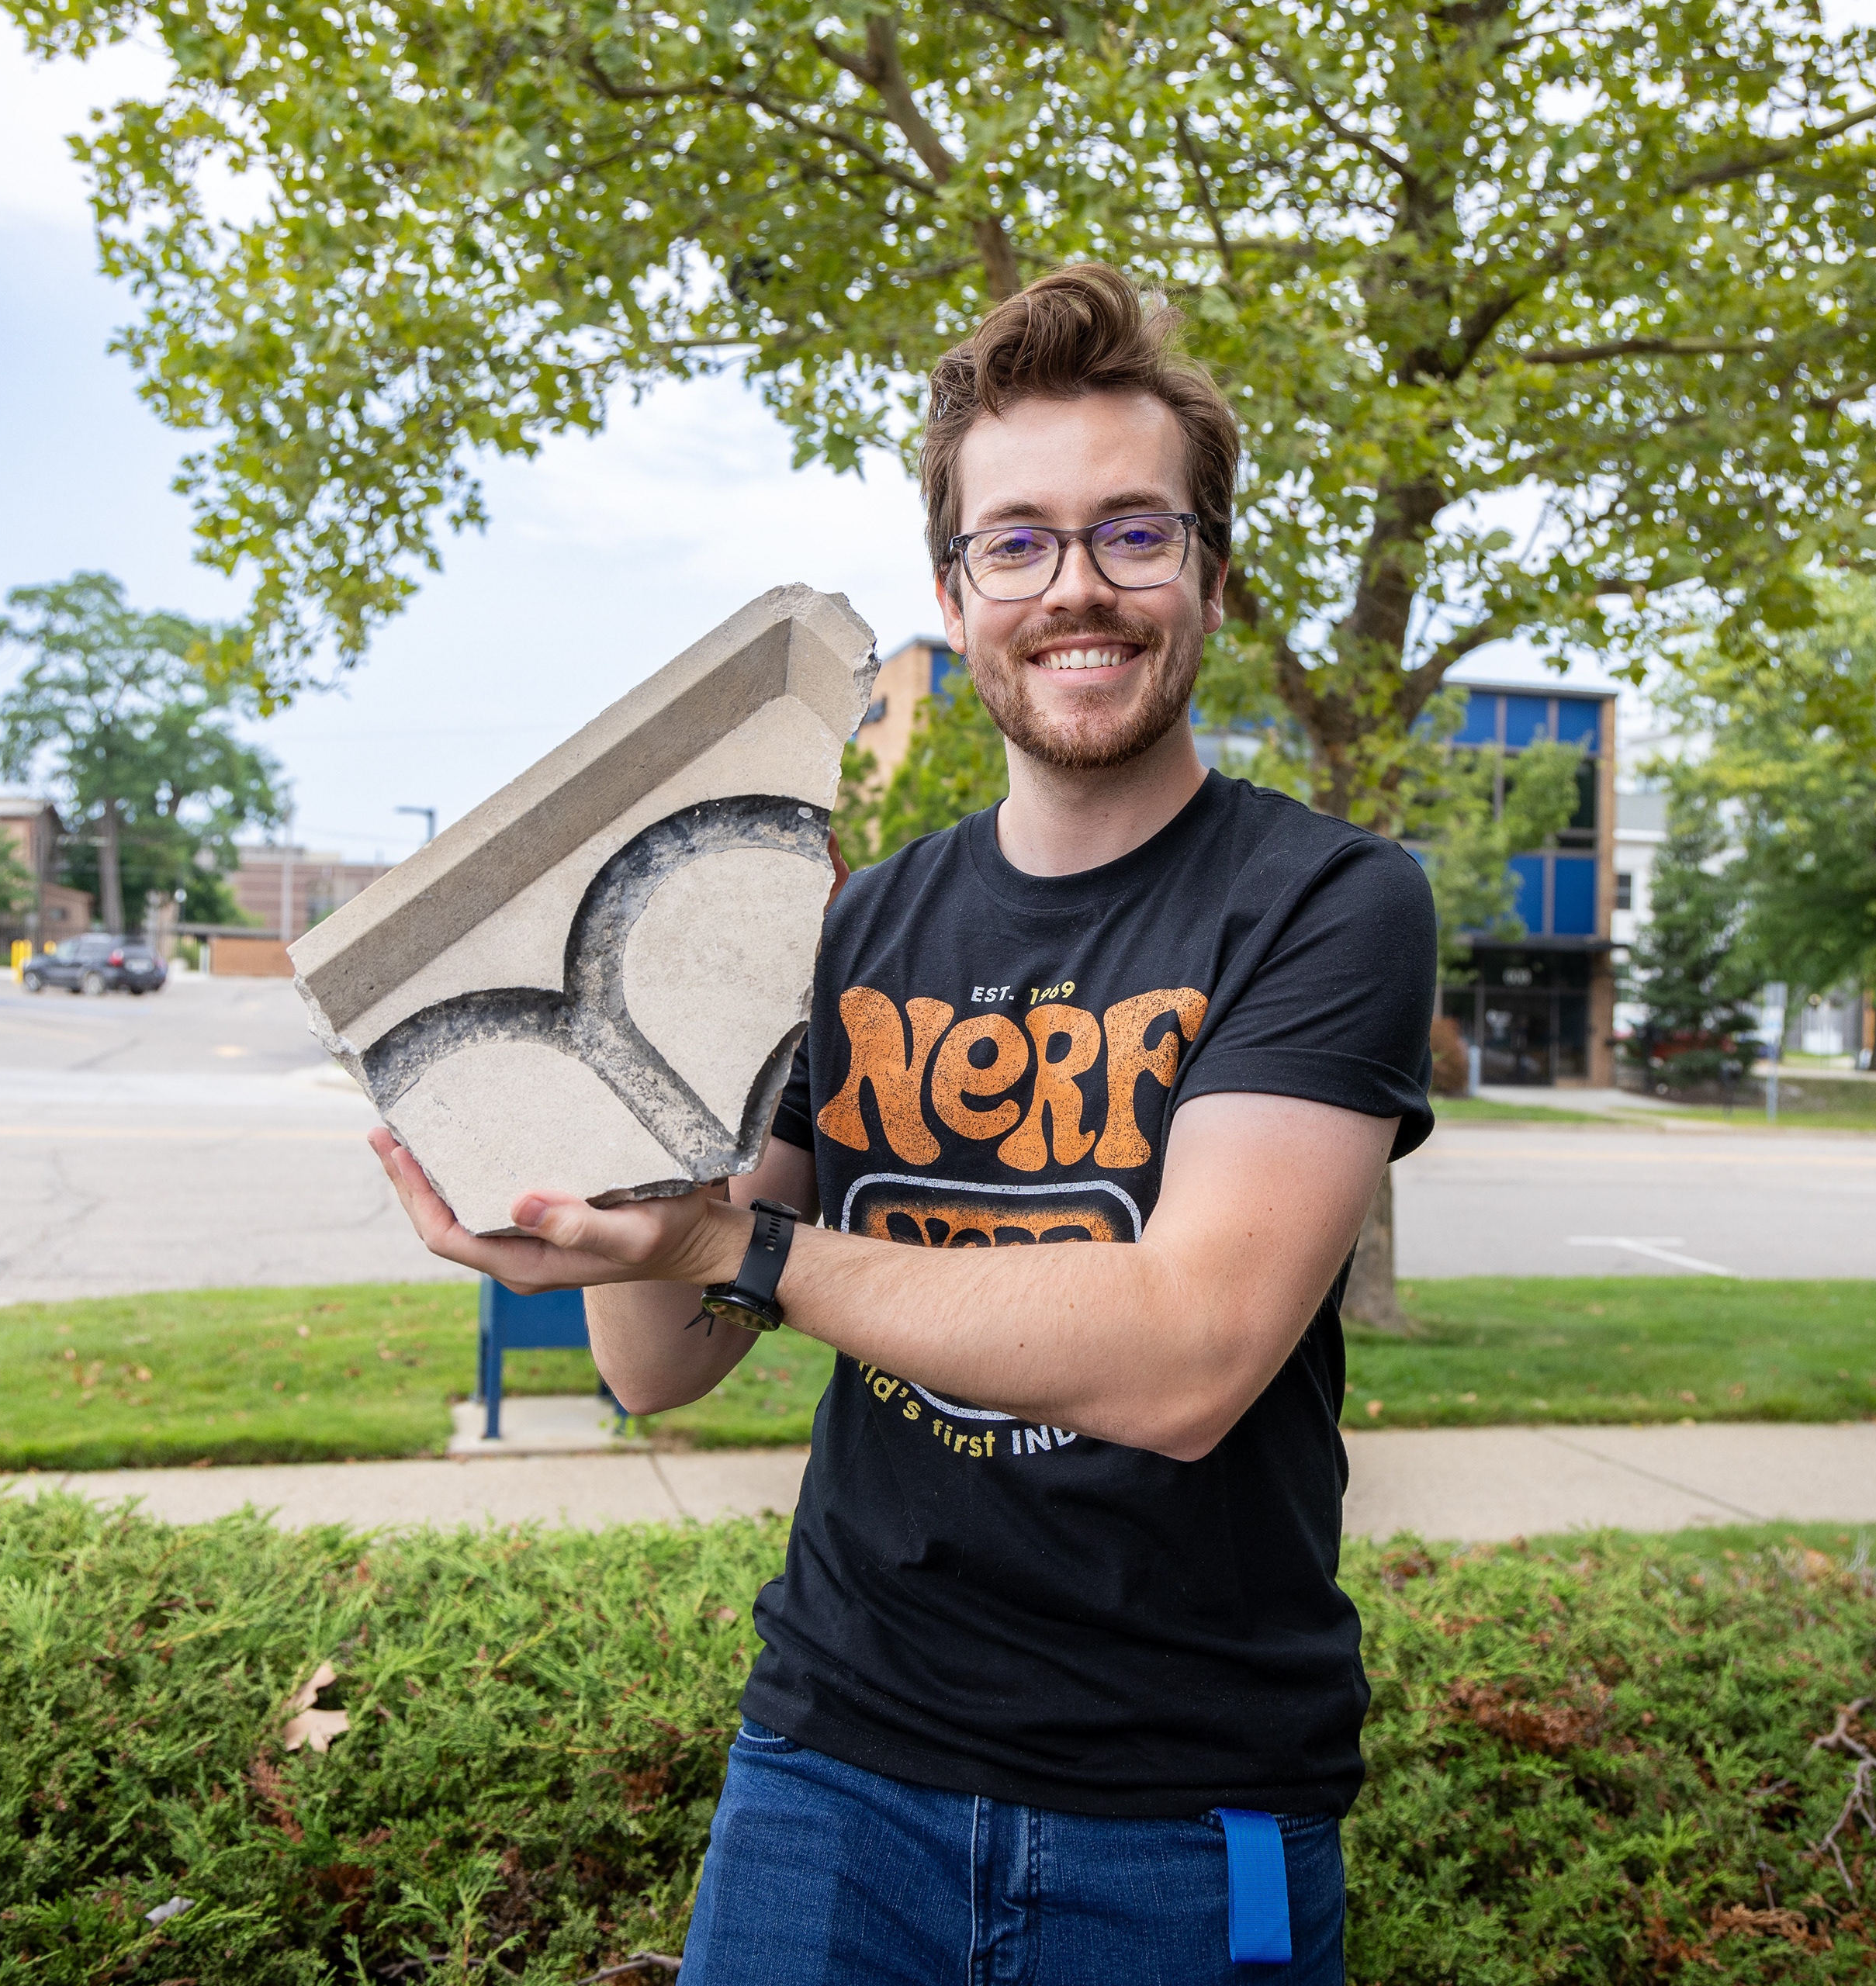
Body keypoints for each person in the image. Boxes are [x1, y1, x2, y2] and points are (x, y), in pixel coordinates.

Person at [372, 263, 1435, 1984]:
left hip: (1184, 1798)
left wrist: (739, 1241)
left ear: (1210, 577)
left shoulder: (1326, 900)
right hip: (833, 1772)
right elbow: (661, 1364)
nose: (1074, 587)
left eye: (1132, 534)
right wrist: (609, 1203)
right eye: (1017, 541)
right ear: (956, 587)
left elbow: (1190, 1351)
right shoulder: (849, 922)